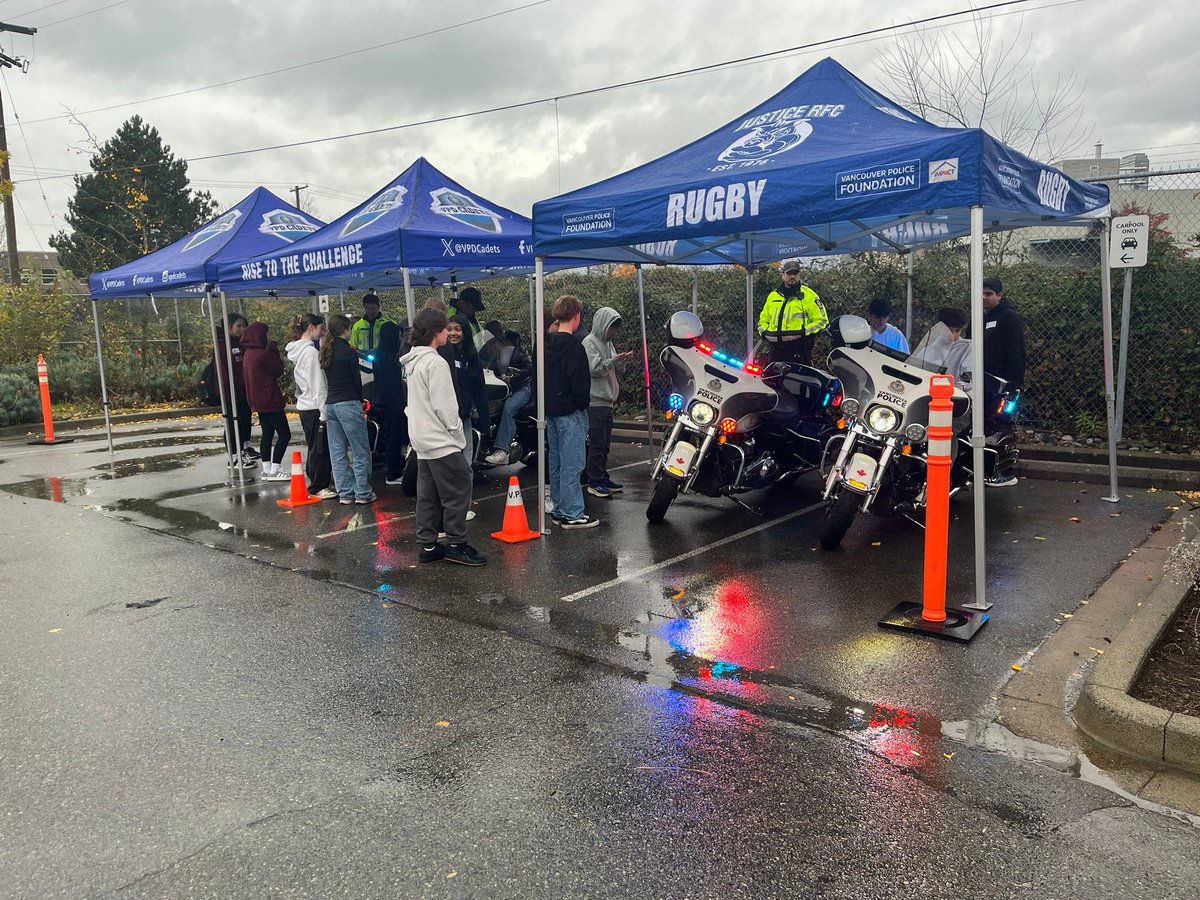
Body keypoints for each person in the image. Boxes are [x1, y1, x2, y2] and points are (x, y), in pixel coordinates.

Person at [400, 307, 487, 567]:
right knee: (458, 489)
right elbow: (446, 407)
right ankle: (457, 544)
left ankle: (428, 544)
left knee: (427, 494)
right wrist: (457, 435)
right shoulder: (436, 362)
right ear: (436, 332)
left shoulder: (411, 360)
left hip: (421, 437)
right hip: (440, 439)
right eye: (445, 329)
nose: (449, 333)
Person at [544, 294, 598, 528]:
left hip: (550, 410)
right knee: (573, 462)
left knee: (556, 460)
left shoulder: (544, 343)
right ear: (575, 316)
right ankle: (573, 512)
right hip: (570, 411)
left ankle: (559, 508)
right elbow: (580, 383)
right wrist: (581, 404)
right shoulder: (575, 346)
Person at [320, 314, 376, 505]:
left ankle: (345, 492)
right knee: (360, 449)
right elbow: (356, 380)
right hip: (348, 402)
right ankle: (362, 492)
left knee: (338, 451)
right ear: (346, 329)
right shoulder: (349, 352)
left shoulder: (326, 350)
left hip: (331, 404)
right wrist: (361, 401)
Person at [440, 315, 489, 520]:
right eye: (449, 328)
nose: (453, 333)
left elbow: (479, 388)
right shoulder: (440, 354)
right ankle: (446, 508)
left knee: (465, 464)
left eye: (457, 329)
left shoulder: (471, 356)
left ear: (465, 332)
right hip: (444, 421)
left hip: (464, 419)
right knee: (446, 466)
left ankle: (463, 506)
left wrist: (484, 418)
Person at [582, 307, 634, 498]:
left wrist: (622, 361)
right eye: (611, 327)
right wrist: (613, 360)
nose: (612, 332)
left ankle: (602, 476)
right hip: (595, 401)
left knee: (604, 444)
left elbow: (613, 368)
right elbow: (595, 368)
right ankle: (594, 481)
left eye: (614, 328)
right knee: (597, 443)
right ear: (603, 324)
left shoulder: (608, 343)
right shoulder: (589, 343)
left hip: (607, 400)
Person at [285, 314, 336, 499]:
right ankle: (318, 484)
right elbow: (318, 384)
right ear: (311, 327)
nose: (323, 331)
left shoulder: (298, 351)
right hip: (314, 405)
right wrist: (324, 410)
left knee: (314, 445)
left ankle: (315, 479)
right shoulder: (310, 353)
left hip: (305, 404)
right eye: (321, 328)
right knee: (320, 447)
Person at [241, 322, 292, 481]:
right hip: (270, 399)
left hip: (258, 400)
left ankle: (267, 468)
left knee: (267, 433)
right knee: (284, 434)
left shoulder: (248, 353)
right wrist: (274, 349)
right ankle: (275, 468)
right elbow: (278, 369)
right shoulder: (263, 354)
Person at [756, 258, 829, 366]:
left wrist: (805, 332)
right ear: (783, 275)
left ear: (799, 275)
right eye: (789, 273)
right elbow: (763, 320)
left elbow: (822, 320)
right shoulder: (773, 296)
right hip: (775, 351)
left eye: (795, 273)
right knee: (771, 381)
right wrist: (764, 333)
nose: (792, 276)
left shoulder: (809, 295)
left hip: (799, 351)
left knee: (800, 382)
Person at [482, 328, 533, 466]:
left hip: (521, 388)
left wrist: (516, 375)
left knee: (509, 408)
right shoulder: (491, 353)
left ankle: (503, 451)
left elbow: (530, 368)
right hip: (502, 389)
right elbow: (483, 365)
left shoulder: (518, 352)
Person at [213, 312, 257, 469]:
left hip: (244, 390)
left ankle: (244, 449)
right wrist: (228, 391)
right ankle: (233, 456)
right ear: (229, 327)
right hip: (231, 392)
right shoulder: (222, 345)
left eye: (244, 326)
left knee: (245, 420)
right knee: (233, 423)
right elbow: (223, 371)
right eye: (238, 326)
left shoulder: (242, 343)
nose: (242, 329)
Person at [372, 321, 409, 487]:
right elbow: (392, 385)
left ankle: (394, 469)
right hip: (393, 405)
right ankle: (394, 472)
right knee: (394, 438)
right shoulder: (388, 359)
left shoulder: (381, 355)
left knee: (391, 437)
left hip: (385, 403)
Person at [981, 276, 1026, 393]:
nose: (984, 297)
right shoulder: (976, 317)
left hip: (1000, 382)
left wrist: (1012, 383)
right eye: (981, 293)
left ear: (999, 295)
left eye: (989, 294)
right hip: (980, 380)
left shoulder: (1009, 317)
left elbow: (1016, 351)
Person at [349, 290, 394, 356]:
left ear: (378, 307)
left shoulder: (389, 323)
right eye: (367, 308)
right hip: (363, 359)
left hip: (383, 358)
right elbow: (352, 345)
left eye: (373, 308)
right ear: (363, 307)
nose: (370, 312)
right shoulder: (357, 326)